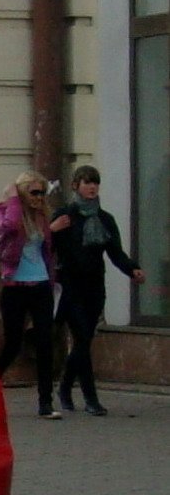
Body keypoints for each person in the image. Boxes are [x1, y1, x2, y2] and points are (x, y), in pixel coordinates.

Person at [52, 165, 146, 416]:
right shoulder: (65, 216)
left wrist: (132, 269)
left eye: (95, 183)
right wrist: (52, 231)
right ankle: (91, 398)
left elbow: (115, 252)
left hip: (94, 287)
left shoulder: (105, 220)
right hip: (70, 287)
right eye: (86, 182)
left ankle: (64, 386)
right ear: (75, 186)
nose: (92, 187)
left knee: (84, 342)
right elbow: (45, 246)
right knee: (82, 339)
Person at [0, 171, 64, 419]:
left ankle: (45, 402)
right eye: (34, 192)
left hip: (41, 284)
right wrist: (12, 198)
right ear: (22, 192)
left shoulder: (42, 216)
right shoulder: (4, 212)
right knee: (12, 343)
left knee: (45, 342)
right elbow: (9, 227)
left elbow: (46, 248)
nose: (39, 197)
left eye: (42, 193)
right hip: (14, 287)